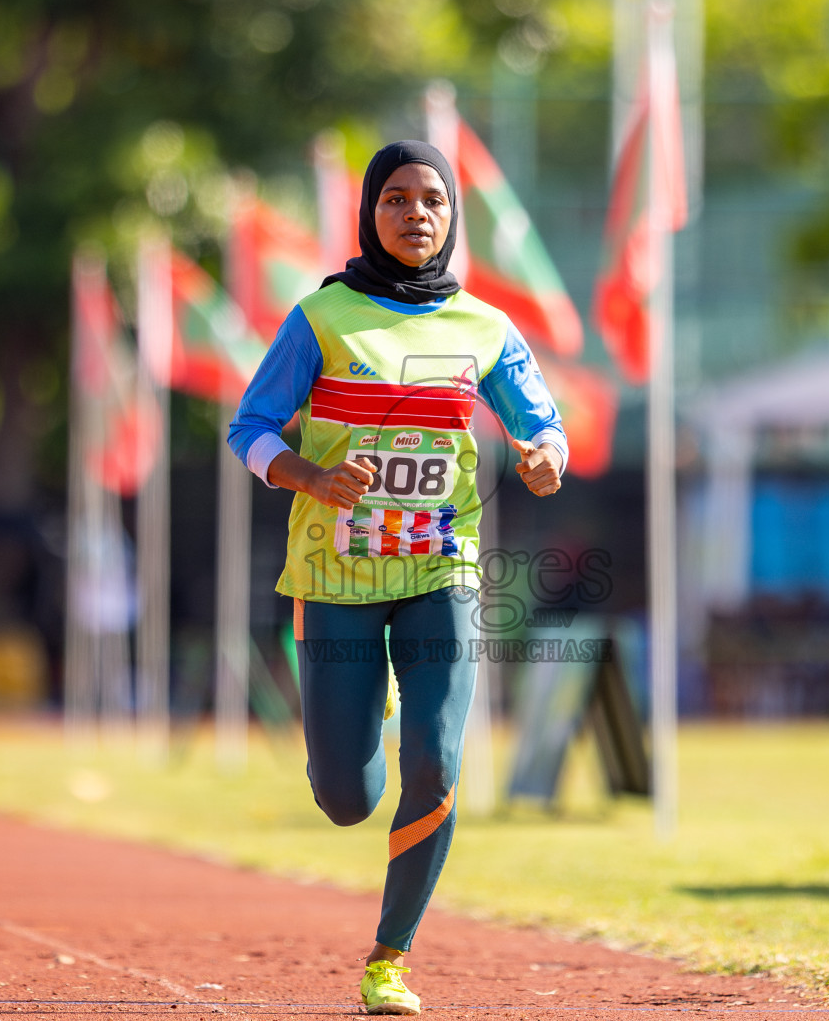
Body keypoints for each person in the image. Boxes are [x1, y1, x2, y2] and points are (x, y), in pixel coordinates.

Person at [228, 140, 568, 1015]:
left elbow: (543, 423)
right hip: (334, 573)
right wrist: (307, 476)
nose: (415, 214)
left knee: (439, 762)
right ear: (369, 214)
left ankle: (390, 957)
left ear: (453, 218)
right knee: (346, 798)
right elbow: (251, 426)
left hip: (439, 572)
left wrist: (542, 457)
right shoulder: (322, 317)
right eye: (395, 199)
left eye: (432, 201)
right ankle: (361, 715)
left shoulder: (486, 327)